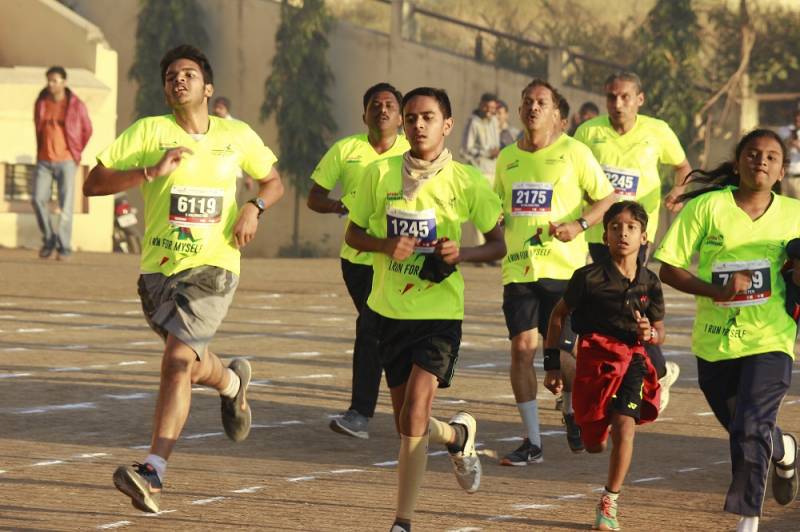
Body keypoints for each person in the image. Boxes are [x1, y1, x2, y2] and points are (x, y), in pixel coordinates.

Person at [83, 44, 284, 513]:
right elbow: (93, 183)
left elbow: (273, 181)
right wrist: (148, 171)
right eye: (171, 75)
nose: (179, 80)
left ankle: (154, 470)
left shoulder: (237, 135)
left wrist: (254, 207)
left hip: (214, 266)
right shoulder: (149, 132)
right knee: (189, 362)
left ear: (207, 88)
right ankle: (232, 383)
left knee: (176, 361)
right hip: (157, 272)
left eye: (189, 74)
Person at [346, 87, 504, 532]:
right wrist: (384, 244)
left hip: (438, 314)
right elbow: (354, 234)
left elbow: (497, 243)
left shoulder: (468, 180)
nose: (417, 125)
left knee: (415, 412)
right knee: (406, 423)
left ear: (447, 125)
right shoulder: (379, 174)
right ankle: (457, 435)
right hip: (388, 311)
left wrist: (462, 254)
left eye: (428, 117)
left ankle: (402, 522)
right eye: (411, 117)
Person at [654, 129, 800, 532]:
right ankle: (784, 447)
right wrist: (716, 290)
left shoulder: (795, 214)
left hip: (771, 337)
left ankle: (747, 521)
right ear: (737, 161)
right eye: (753, 154)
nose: (761, 161)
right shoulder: (707, 207)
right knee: (744, 428)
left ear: (781, 170)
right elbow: (669, 267)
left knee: (751, 429)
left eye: (772, 157)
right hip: (716, 342)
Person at [495, 79, 615, 463]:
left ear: (555, 115)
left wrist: (579, 225)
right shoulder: (506, 158)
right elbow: (499, 206)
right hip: (519, 269)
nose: (533, 107)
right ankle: (532, 442)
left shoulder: (574, 152)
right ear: (520, 111)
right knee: (522, 349)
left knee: (565, 358)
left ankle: (569, 410)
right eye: (527, 101)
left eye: (541, 102)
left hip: (566, 271)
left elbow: (607, 196)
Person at [574, 71, 691, 411]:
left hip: (636, 237)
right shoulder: (588, 132)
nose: (617, 103)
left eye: (625, 97)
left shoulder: (658, 131)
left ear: (639, 99)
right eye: (611, 96)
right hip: (599, 232)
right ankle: (648, 369)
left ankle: (649, 369)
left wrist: (678, 189)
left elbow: (682, 166)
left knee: (630, 304)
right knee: (604, 305)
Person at [545, 200, 664, 531]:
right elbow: (558, 314)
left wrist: (650, 332)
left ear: (644, 237)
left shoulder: (650, 282)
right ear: (605, 235)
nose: (623, 233)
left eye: (631, 228)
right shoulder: (587, 277)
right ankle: (576, 413)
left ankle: (609, 502)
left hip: (633, 360)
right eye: (615, 227)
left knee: (625, 424)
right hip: (594, 361)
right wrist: (552, 364)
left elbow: (660, 330)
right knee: (595, 444)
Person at [307, 82, 410, 439]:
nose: (382, 110)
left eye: (390, 105)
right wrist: (338, 205)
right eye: (375, 105)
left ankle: (392, 408)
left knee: (382, 329)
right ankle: (361, 413)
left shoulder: (415, 151)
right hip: (360, 256)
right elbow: (314, 196)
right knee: (371, 327)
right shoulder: (346, 150)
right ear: (363, 113)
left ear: (400, 116)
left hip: (403, 258)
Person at [32, 65, 93, 260]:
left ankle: (64, 246)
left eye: (55, 81)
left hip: (67, 161)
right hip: (44, 159)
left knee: (66, 206)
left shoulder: (76, 104)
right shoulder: (41, 102)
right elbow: (38, 127)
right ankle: (49, 237)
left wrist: (75, 151)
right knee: (37, 199)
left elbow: (87, 129)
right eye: (49, 80)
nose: (51, 84)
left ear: (64, 82)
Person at [211, 96, 254, 198]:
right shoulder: (209, 124)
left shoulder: (236, 127)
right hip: (212, 174)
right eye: (215, 107)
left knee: (228, 206)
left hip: (233, 175)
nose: (216, 110)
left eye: (220, 108)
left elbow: (248, 151)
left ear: (226, 110)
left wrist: (250, 177)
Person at [777, 108, 800, 200]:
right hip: (785, 177)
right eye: (796, 120)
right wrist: (788, 141)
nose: (797, 122)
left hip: (798, 178)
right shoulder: (785, 131)